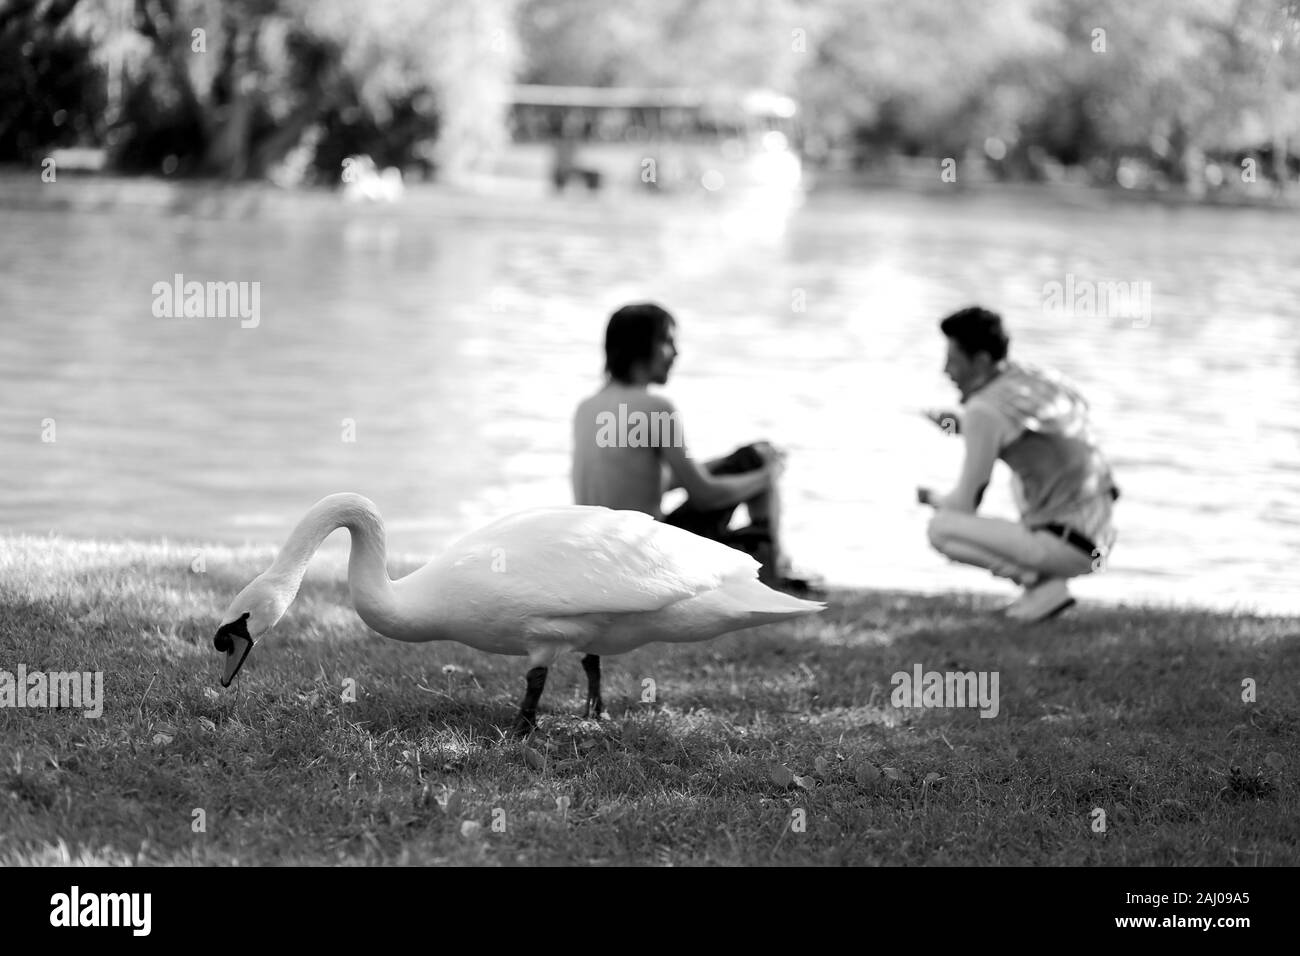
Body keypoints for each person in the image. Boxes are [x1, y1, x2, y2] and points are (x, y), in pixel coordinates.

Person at [572, 302, 819, 595]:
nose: (676, 353)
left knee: (747, 458)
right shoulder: (655, 408)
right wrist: (768, 474)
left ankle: (775, 564)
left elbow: (633, 485)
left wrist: (720, 463)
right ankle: (776, 568)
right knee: (760, 457)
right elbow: (704, 496)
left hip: (602, 556)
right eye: (668, 341)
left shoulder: (587, 408)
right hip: (648, 557)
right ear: (642, 347)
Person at [918, 306, 1119, 622]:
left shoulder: (984, 410)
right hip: (1097, 539)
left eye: (953, 360)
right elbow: (1040, 435)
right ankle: (1045, 590)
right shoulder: (1033, 378)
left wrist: (930, 498)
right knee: (1022, 467)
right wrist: (962, 426)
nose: (946, 371)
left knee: (941, 528)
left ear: (981, 360)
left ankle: (1042, 587)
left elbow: (964, 505)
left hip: (1065, 546)